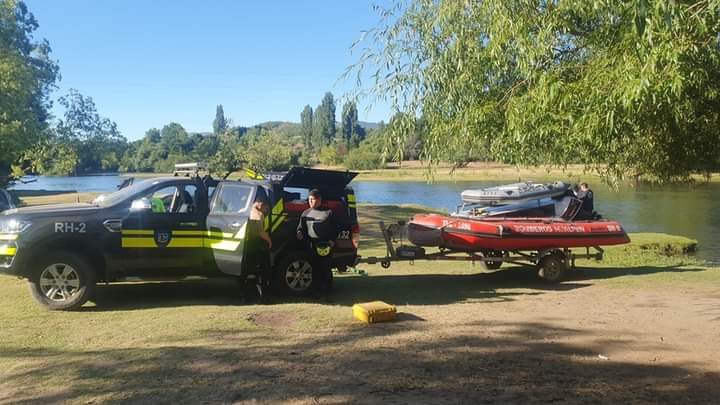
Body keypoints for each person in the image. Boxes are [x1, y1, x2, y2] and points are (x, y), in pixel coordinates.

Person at [296, 189, 336, 301]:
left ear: (319, 200)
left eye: (312, 199)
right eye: (309, 199)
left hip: (325, 244)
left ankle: (327, 291)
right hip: (312, 245)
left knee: (325, 268)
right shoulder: (305, 213)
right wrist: (299, 233)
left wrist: (332, 241)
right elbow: (300, 228)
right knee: (314, 268)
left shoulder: (328, 212)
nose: (310, 201)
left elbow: (336, 228)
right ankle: (315, 291)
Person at [243, 194, 272, 302]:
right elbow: (260, 231)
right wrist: (269, 240)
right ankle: (263, 297)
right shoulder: (259, 214)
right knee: (263, 271)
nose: (266, 210)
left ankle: (248, 296)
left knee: (249, 272)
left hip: (247, 245)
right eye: (266, 208)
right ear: (260, 204)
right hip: (258, 245)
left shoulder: (245, 211)